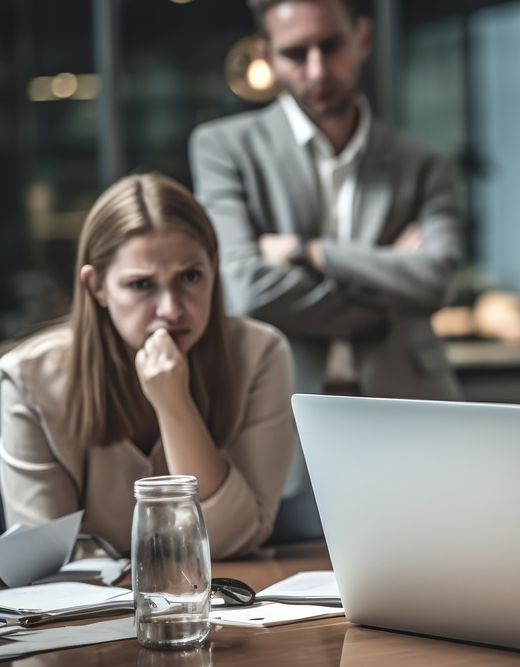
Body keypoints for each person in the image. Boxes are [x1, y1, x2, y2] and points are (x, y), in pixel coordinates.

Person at [0, 173, 295, 559]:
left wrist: (173, 403)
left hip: (216, 606)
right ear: (96, 287)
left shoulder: (261, 354)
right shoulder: (29, 378)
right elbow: (38, 561)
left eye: (190, 276)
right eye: (141, 285)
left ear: (214, 268)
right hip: (88, 616)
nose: (171, 309)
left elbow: (231, 540)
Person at [189, 0, 463, 401]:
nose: (317, 69)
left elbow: (437, 280)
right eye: (295, 53)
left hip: (411, 396)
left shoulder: (425, 163)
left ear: (363, 38)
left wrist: (308, 252)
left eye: (331, 46)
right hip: (278, 401)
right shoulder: (224, 148)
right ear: (268, 56)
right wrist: (387, 300)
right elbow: (244, 287)